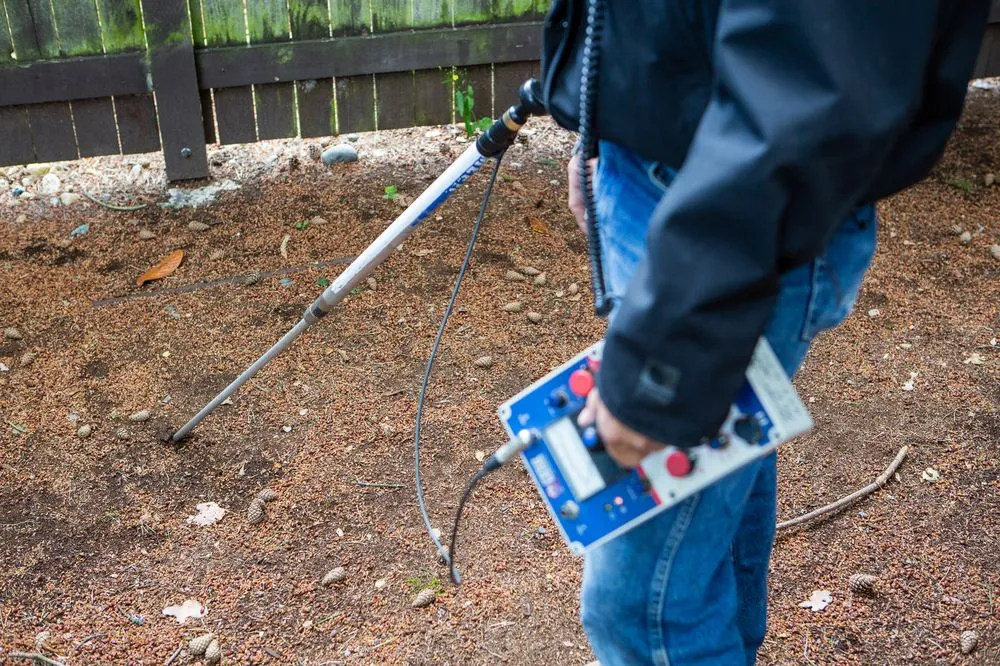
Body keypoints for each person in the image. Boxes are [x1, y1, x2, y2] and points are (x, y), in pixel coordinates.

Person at [539, 1, 991, 664]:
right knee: (702, 543)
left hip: (735, 213)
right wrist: (605, 115)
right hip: (678, 175)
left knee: (645, 609)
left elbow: (813, 76)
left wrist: (666, 353)